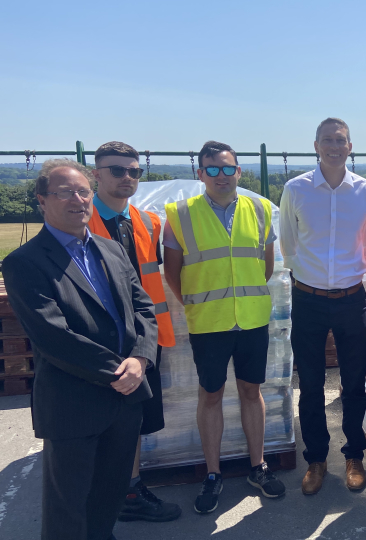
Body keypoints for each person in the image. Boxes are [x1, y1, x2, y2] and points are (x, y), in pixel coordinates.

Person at [3, 159, 158, 540]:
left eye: (83, 191)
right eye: (65, 192)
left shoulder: (111, 250)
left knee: (107, 498)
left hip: (124, 402)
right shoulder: (24, 263)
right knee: (67, 508)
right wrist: (119, 372)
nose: (78, 200)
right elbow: (53, 336)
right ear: (42, 200)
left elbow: (144, 308)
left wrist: (140, 359)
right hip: (74, 403)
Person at [164, 140, 284, 514]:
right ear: (200, 174)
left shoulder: (261, 209)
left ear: (239, 172)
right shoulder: (180, 214)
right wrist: (198, 305)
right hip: (209, 324)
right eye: (212, 169)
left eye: (227, 168)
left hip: (251, 320)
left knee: (252, 392)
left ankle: (257, 467)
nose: (221, 175)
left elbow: (265, 267)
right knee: (210, 395)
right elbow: (172, 272)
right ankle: (213, 474)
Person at [279, 117, 366, 495]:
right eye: (327, 140)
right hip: (307, 299)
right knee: (309, 384)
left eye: (341, 140)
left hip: (351, 299)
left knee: (354, 383)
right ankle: (317, 460)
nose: (334, 146)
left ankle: (354, 455)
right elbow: (289, 245)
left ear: (350, 147)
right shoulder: (296, 189)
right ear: (316, 145)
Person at [89, 141, 181, 522]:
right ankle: (99, 494)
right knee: (97, 419)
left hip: (143, 338)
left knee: (135, 420)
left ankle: (129, 490)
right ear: (96, 173)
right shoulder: (80, 218)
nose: (127, 178)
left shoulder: (148, 222)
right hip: (99, 339)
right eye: (116, 170)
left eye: (134, 172)